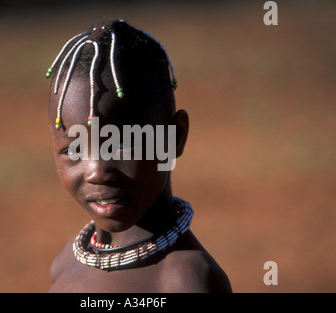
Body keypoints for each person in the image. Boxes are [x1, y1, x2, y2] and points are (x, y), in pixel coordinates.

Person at [45, 18, 232, 293]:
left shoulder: (187, 282)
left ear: (174, 137)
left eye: (122, 144)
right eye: (74, 149)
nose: (96, 171)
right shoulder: (65, 263)